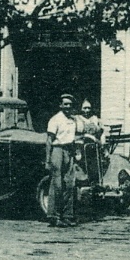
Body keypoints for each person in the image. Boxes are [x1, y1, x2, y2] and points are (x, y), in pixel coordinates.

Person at [45, 93, 80, 227]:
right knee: (57, 184)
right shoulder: (55, 119)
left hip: (69, 151)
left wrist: (75, 152)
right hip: (57, 150)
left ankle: (67, 215)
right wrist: (48, 160)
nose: (68, 107)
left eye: (70, 105)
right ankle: (54, 216)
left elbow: (74, 137)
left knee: (69, 184)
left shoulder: (72, 120)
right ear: (60, 105)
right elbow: (49, 140)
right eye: (65, 104)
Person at [76, 98, 105, 184]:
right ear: (81, 108)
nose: (87, 110)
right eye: (85, 108)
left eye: (89, 108)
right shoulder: (77, 118)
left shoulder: (94, 118)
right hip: (81, 142)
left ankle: (96, 180)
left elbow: (100, 131)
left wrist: (102, 141)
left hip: (93, 143)